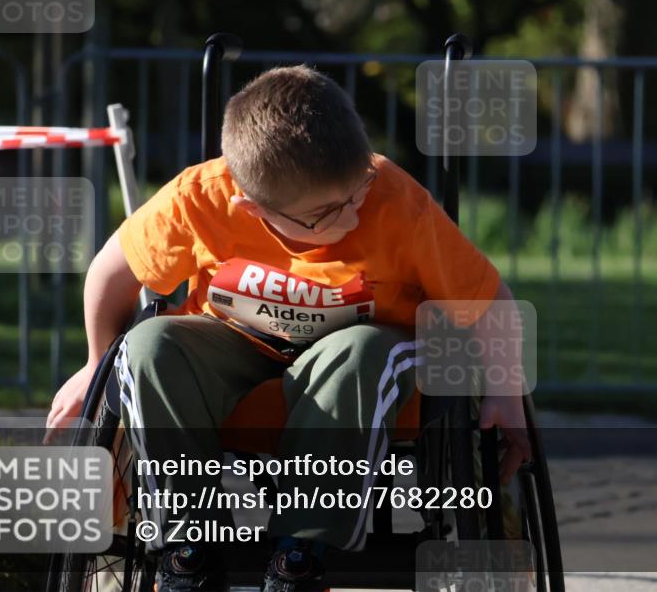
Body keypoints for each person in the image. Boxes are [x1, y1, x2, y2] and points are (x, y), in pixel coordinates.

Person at [44, 65, 530, 592]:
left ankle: (301, 551)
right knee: (147, 345)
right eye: (325, 213)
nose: (351, 215)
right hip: (232, 346)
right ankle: (188, 545)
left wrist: (505, 389)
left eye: (357, 191)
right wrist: (95, 361)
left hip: (363, 365)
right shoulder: (201, 196)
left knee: (360, 350)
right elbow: (109, 273)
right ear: (251, 208)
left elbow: (488, 298)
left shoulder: (394, 200)